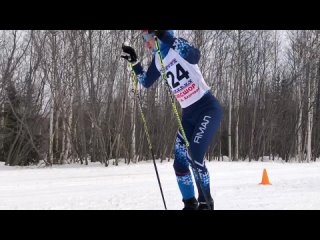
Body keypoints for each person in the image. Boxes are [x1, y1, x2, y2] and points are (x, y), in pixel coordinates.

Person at [121, 30, 223, 210]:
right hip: (189, 115)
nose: (146, 44)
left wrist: (164, 35)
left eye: (147, 38)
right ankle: (189, 204)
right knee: (180, 162)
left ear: (158, 35)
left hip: (207, 109)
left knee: (194, 155)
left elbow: (195, 55)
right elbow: (146, 81)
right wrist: (134, 63)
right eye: (143, 39)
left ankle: (206, 204)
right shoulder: (159, 61)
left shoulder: (176, 46)